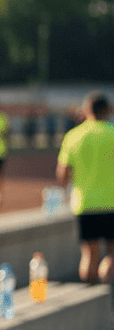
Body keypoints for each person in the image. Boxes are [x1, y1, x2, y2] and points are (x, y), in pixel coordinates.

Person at [56, 92, 114, 287]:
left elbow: (62, 175)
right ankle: (107, 289)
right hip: (112, 203)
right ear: (108, 110)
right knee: (112, 254)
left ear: (87, 111)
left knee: (89, 253)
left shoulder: (73, 136)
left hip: (84, 203)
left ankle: (90, 293)